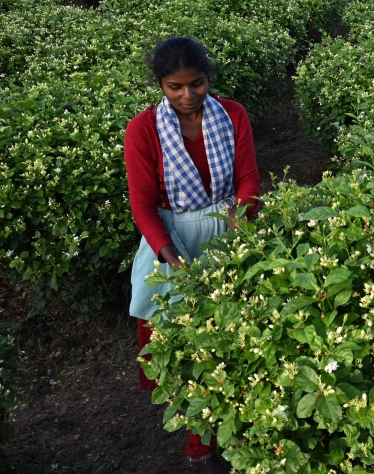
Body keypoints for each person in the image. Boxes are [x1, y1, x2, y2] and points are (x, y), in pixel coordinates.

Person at [124, 36, 260, 474]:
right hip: (171, 239)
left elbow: (248, 179)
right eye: (174, 87)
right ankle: (199, 438)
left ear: (208, 78)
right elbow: (143, 206)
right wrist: (172, 260)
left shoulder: (233, 115)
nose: (187, 96)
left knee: (235, 340)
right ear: (160, 86)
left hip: (227, 231)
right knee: (185, 347)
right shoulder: (143, 130)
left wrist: (240, 220)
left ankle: (245, 427)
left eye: (196, 84)